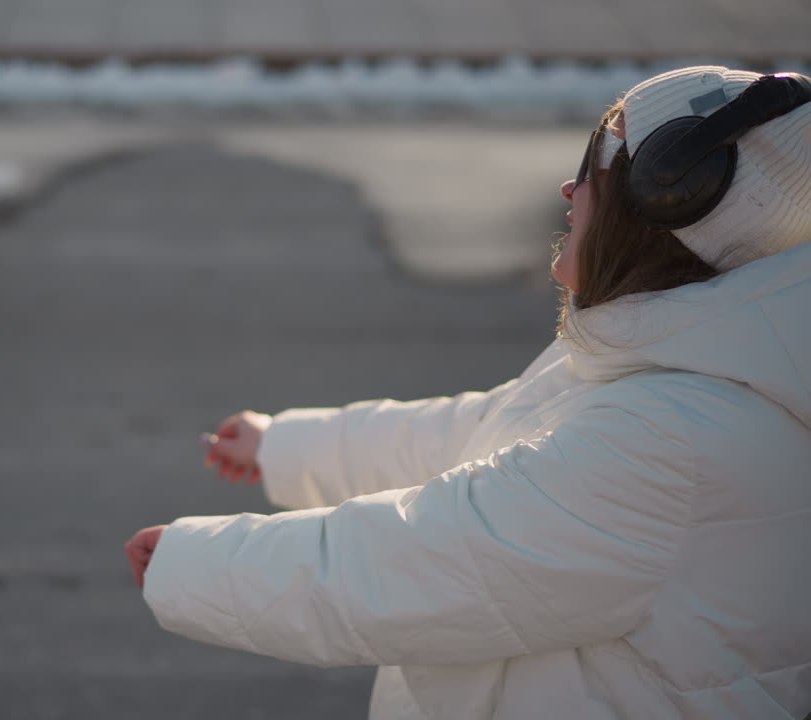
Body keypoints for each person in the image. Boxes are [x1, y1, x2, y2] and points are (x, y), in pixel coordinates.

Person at [124, 65, 811, 719]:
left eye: (596, 163)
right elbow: (486, 430)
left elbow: (428, 557)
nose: (569, 190)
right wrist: (289, 446)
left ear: (670, 199)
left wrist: (198, 565)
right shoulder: (679, 358)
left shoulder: (667, 437)